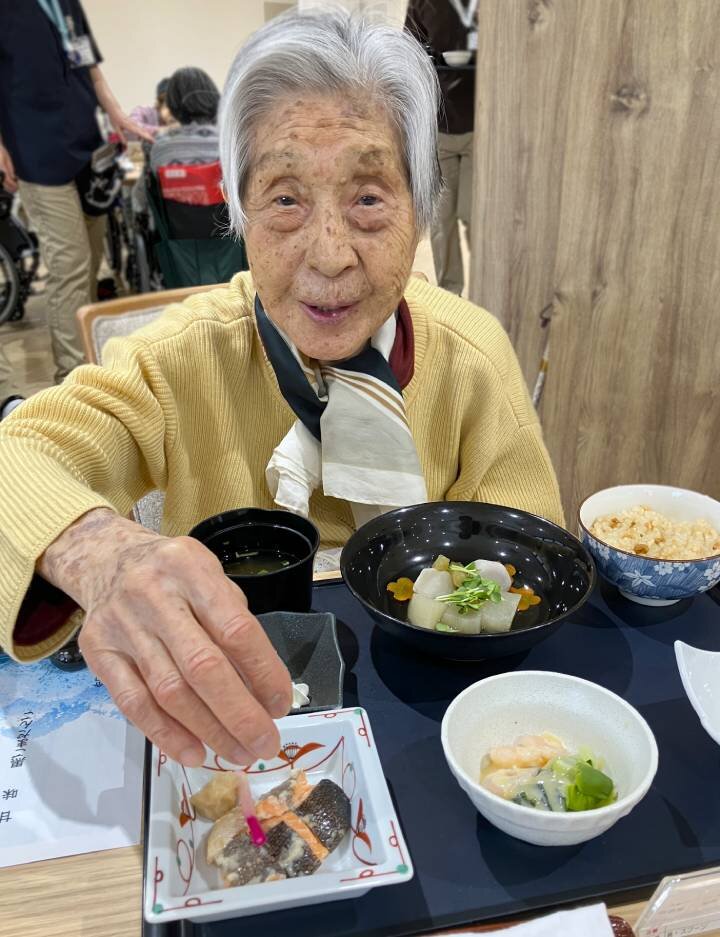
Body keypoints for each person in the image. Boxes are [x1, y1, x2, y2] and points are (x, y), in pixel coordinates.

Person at [0, 11, 563, 769]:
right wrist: (99, 552)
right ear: (240, 212)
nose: (328, 256)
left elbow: (529, 573)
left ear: (420, 209)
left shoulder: (472, 355)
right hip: (228, 725)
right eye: (286, 199)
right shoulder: (180, 357)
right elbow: (19, 457)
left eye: (369, 198)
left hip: (439, 723)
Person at [0, 0, 152, 384]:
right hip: (34, 151)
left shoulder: (68, 4)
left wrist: (119, 117)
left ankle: (87, 358)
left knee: (92, 256)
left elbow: (92, 70)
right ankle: (72, 376)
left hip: (87, 146)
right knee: (70, 261)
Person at [405, 0, 476, 295]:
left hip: (483, 126)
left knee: (475, 217)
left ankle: (488, 292)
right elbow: (407, 51)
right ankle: (451, 295)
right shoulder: (423, 3)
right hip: (439, 126)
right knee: (442, 221)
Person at [132, 67, 221, 215]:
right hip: (231, 228)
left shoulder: (160, 148)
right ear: (213, 97)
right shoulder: (232, 143)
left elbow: (139, 202)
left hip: (176, 228)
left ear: (172, 104)